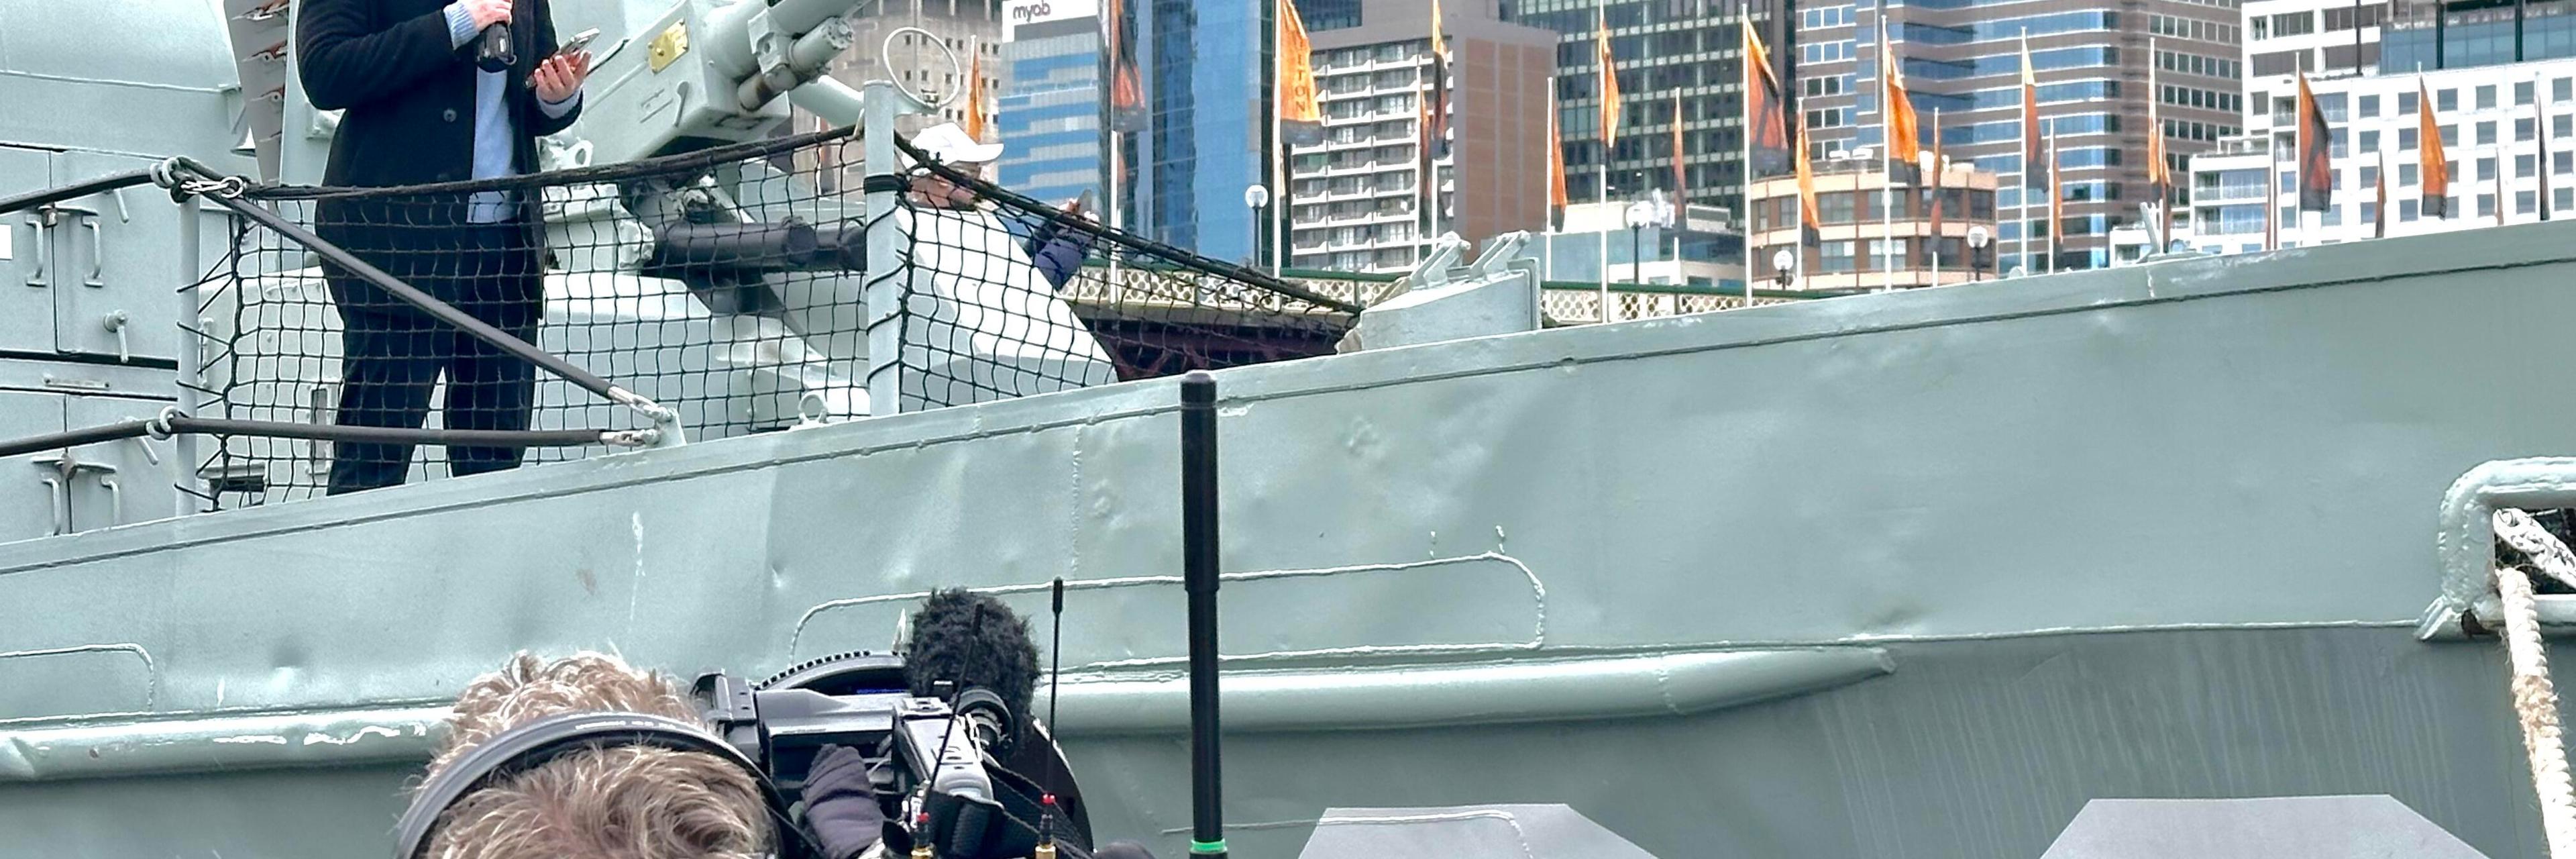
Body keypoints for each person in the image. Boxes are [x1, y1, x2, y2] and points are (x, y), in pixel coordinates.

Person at [297, 0, 592, 494]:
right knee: (376, 451)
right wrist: (452, 26)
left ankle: (483, 571)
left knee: (496, 457)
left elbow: (525, 105)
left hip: (505, 252)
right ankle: (358, 569)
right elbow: (326, 72)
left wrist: (557, 97)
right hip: (396, 249)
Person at [902, 123, 1097, 290]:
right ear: (942, 178)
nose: (982, 181)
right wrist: (1076, 237)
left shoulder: (930, 222)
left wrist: (1053, 227)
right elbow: (1027, 292)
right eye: (973, 172)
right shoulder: (936, 230)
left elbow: (1015, 271)